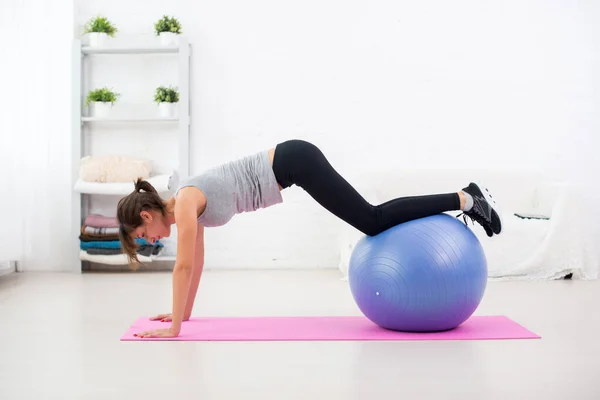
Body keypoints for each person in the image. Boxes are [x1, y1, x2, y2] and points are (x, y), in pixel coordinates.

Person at [117, 139, 502, 338]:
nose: (150, 240)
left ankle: (466, 198)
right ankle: (466, 197)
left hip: (293, 161)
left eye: (142, 234)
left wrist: (174, 330)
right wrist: (182, 313)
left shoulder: (184, 202)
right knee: (372, 216)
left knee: (372, 219)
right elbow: (196, 263)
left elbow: (182, 264)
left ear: (147, 215)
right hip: (292, 162)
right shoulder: (187, 205)